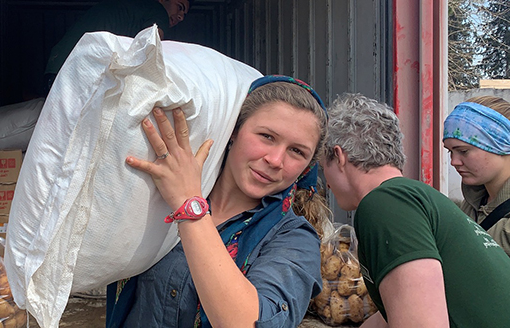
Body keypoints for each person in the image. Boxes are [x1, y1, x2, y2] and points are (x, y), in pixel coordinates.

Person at [106, 75, 330, 327]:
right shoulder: (157, 195)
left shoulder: (295, 240)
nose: (276, 160)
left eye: (297, 151)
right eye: (266, 136)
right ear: (234, 131)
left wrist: (188, 204)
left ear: (306, 167)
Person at [320, 93, 510, 327]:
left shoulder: (385, 203)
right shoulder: (421, 199)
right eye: (450, 152)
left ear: (339, 157)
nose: (326, 183)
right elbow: (406, 305)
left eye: (322, 167)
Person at [44, 0, 191, 92]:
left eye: (184, 14)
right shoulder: (158, 10)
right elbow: (151, 51)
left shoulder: (131, 7)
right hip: (82, 74)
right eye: (180, 7)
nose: (181, 16)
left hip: (58, 68)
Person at [443, 96, 510, 256]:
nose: (454, 162)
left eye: (463, 151)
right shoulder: (466, 208)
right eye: (450, 151)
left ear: (501, 145)